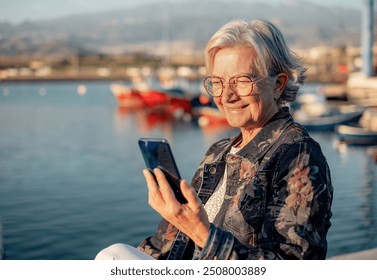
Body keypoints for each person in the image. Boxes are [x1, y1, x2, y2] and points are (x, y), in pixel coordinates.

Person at [95, 19, 333, 260]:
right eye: (217, 82)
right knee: (114, 256)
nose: (226, 96)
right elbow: (165, 245)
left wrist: (202, 234)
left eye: (241, 81)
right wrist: (174, 217)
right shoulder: (219, 151)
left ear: (278, 84)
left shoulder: (297, 154)